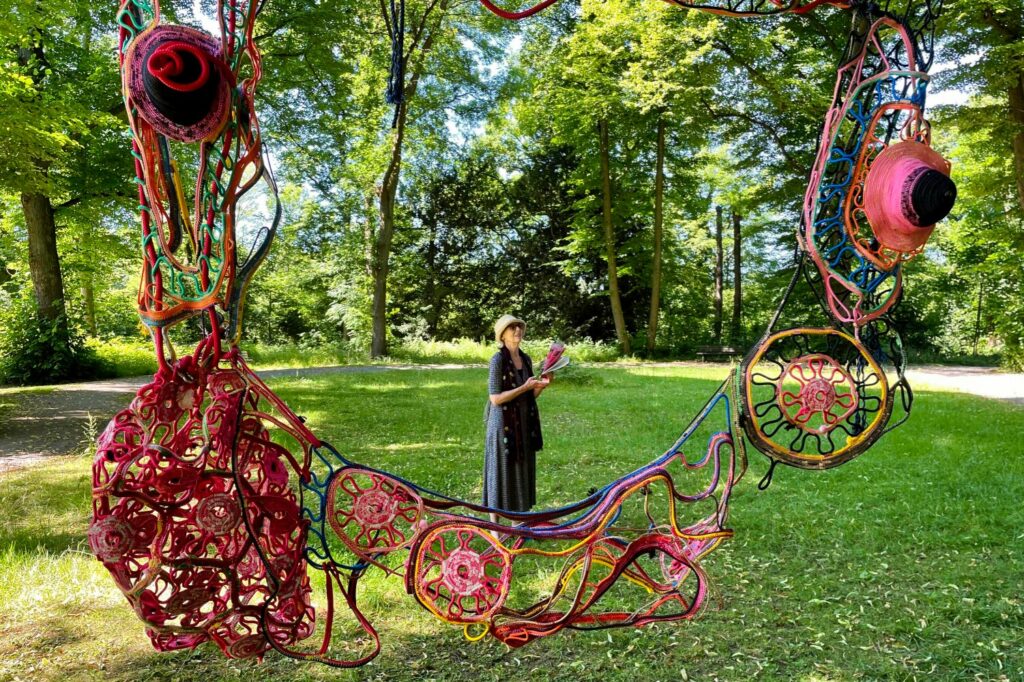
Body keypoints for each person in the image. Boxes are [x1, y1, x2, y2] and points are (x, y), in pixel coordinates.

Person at [483, 314, 552, 521]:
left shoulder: (525, 358)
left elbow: (528, 396)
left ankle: (516, 522)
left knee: (520, 469)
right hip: (502, 424)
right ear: (502, 335)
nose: (517, 331)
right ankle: (495, 526)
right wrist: (525, 387)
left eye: (519, 327)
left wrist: (541, 386)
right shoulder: (497, 360)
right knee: (501, 470)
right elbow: (495, 398)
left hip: (523, 422)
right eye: (511, 327)